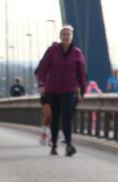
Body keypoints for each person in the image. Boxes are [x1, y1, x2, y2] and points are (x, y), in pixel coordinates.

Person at [35, 25, 87, 156]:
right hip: (52, 89)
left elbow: (82, 74)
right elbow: (42, 68)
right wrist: (41, 84)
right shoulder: (52, 51)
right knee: (55, 117)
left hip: (70, 89)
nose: (66, 36)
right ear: (60, 36)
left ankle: (69, 144)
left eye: (68, 34)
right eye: (64, 34)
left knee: (67, 117)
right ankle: (54, 145)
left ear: (71, 37)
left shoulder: (77, 53)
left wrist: (83, 91)